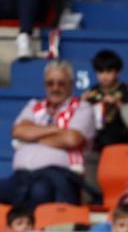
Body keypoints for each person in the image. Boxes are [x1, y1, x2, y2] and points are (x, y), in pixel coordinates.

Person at [0, 60, 93, 206]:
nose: (55, 88)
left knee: (40, 191)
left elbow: (72, 139)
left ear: (71, 84)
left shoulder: (82, 108)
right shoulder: (33, 106)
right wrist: (55, 130)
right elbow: (18, 130)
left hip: (59, 177)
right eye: (50, 83)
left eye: (61, 83)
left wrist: (32, 136)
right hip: (21, 176)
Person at [83, 49, 128, 149]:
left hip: (120, 132)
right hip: (97, 132)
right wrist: (82, 102)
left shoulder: (126, 91)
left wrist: (117, 103)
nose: (105, 76)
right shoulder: (92, 92)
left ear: (118, 73)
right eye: (101, 72)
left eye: (109, 71)